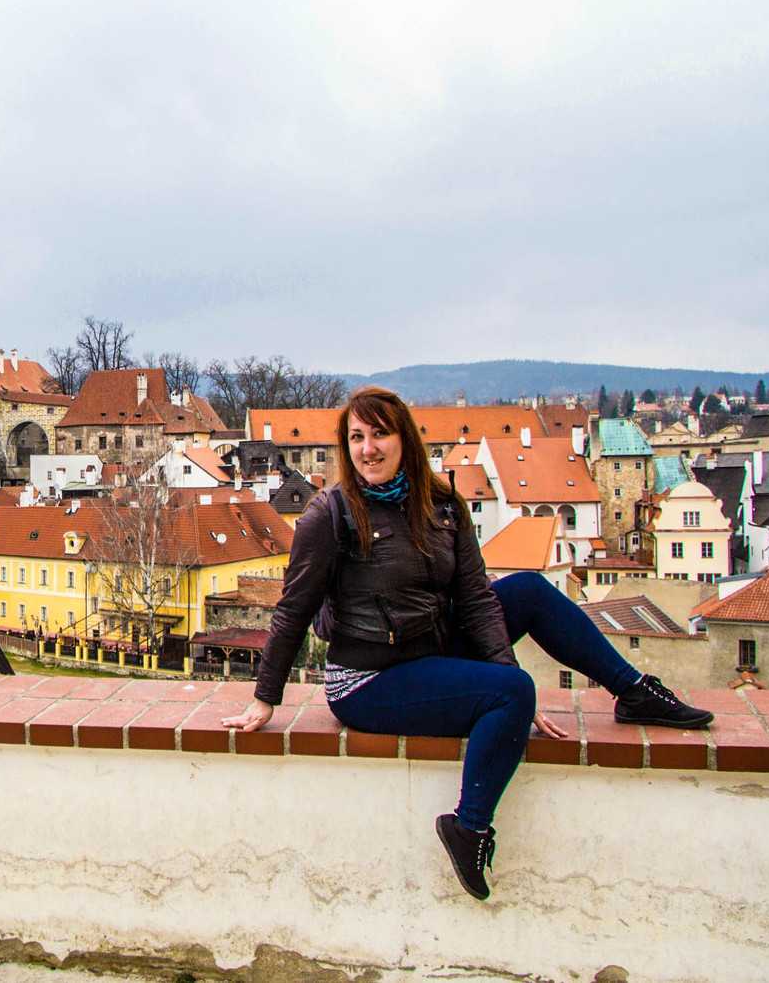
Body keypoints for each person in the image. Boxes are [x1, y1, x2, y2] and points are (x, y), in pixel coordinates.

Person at [223, 386, 711, 901]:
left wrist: (498, 665)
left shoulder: (442, 503)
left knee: (528, 590)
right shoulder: (332, 513)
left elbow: (476, 598)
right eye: (357, 437)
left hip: (429, 647)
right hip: (369, 679)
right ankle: (469, 828)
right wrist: (265, 698)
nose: (368, 449)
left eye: (380, 434)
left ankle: (633, 692)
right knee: (512, 693)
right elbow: (294, 608)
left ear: (404, 440)